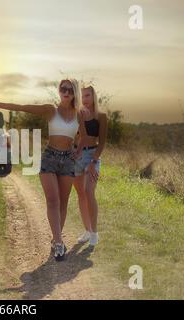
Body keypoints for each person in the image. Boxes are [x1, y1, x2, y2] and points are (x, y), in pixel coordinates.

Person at [0, 79, 87, 261]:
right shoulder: (51, 110)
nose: (66, 92)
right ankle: (58, 242)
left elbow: (85, 137)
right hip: (50, 158)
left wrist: (77, 150)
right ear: (59, 91)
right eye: (62, 88)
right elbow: (23, 107)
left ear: (74, 93)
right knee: (53, 200)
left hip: (67, 162)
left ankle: (56, 238)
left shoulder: (79, 114)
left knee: (63, 202)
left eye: (70, 89)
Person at [73, 85, 108, 246]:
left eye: (87, 95)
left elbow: (101, 143)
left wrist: (94, 161)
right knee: (81, 194)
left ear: (93, 97)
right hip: (76, 155)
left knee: (89, 192)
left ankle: (94, 232)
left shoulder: (101, 116)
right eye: (82, 96)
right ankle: (87, 231)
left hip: (92, 155)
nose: (84, 99)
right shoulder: (77, 114)